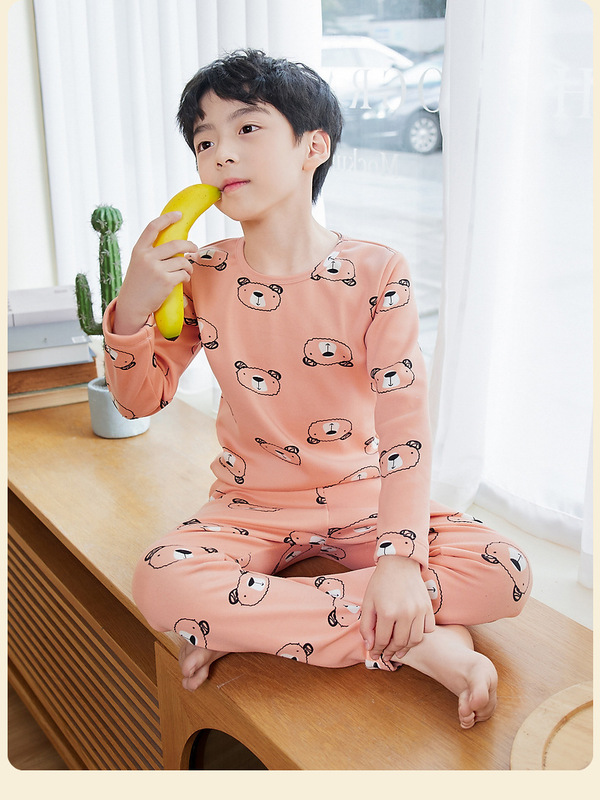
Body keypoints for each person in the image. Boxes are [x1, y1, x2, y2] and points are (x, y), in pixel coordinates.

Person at [103, 49, 532, 729]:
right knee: (160, 582)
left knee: (504, 570)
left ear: (313, 147)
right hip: (249, 507)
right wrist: (132, 307)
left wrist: (399, 562)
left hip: (365, 500)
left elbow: (405, 430)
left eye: (247, 128)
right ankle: (420, 643)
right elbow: (137, 401)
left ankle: (259, 620)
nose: (220, 152)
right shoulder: (200, 272)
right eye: (204, 141)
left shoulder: (378, 270)